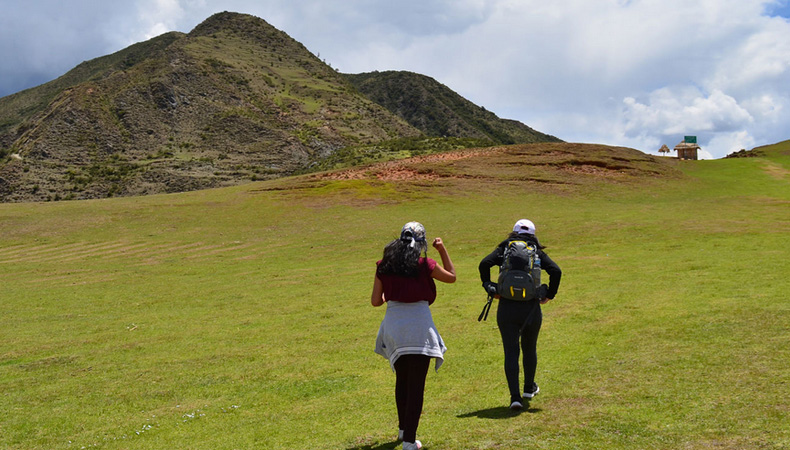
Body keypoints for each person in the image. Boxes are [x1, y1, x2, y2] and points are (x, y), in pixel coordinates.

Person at [372, 222, 456, 450]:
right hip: (419, 327)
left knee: (402, 380)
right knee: (416, 386)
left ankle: (402, 431)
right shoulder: (425, 264)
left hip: (394, 327)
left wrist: (394, 294)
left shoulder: (383, 265)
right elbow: (451, 277)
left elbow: (375, 301)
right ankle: (410, 441)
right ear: (421, 243)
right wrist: (442, 250)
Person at [478, 219, 562, 410]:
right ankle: (528, 389)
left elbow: (484, 264)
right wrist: (549, 295)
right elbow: (556, 271)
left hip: (507, 307)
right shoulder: (535, 250)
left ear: (513, 232)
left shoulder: (505, 248)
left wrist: (490, 287)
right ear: (532, 234)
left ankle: (515, 398)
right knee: (529, 348)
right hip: (531, 308)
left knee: (511, 352)